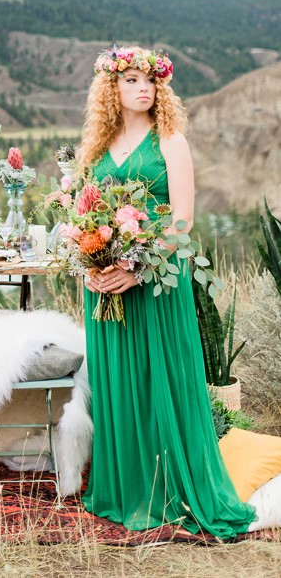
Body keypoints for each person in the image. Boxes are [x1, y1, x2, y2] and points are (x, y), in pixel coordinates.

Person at [78, 45, 255, 537]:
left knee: (159, 382)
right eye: (131, 80)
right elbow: (84, 213)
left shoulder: (170, 140)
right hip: (104, 287)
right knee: (118, 384)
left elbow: (182, 223)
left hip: (155, 281)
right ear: (111, 88)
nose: (142, 88)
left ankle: (167, 488)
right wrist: (91, 264)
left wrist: (137, 270)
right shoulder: (96, 144)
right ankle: (123, 486)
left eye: (149, 81)